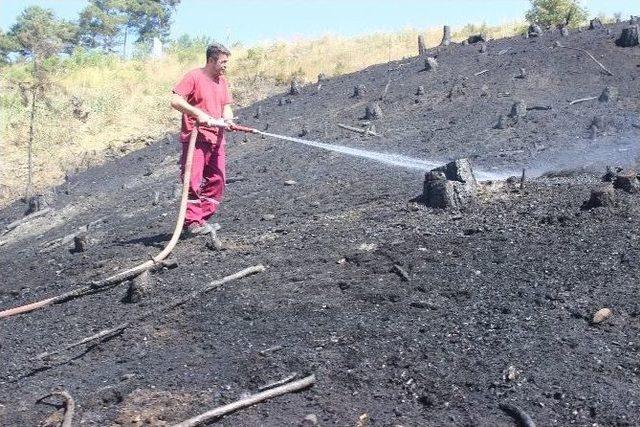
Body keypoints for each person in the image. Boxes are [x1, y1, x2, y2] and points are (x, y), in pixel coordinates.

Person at [170, 43, 235, 236]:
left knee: (218, 180)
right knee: (193, 181)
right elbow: (175, 100)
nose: (225, 66)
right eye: (223, 62)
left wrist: (228, 119)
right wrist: (198, 113)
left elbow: (226, 106)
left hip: (217, 139)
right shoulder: (194, 77)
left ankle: (201, 220)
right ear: (211, 60)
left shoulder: (222, 81)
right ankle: (191, 222)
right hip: (196, 139)